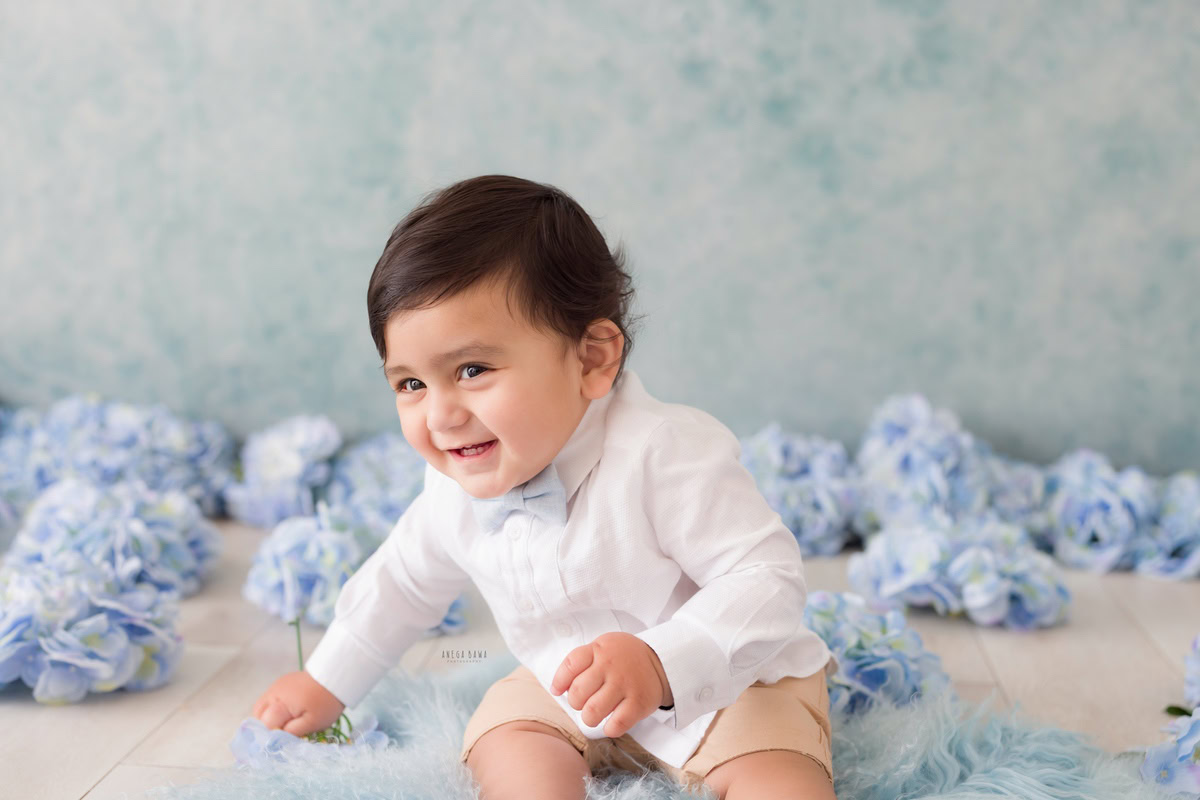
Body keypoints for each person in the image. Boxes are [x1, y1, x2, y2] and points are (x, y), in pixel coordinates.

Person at [251, 174, 839, 799]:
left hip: (727, 685)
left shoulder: (664, 453)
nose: (440, 415)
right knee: (509, 741)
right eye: (411, 384)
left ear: (591, 359)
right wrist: (326, 680)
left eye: (472, 370)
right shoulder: (452, 489)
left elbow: (765, 578)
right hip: (563, 682)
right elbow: (400, 583)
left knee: (777, 778)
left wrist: (662, 661)